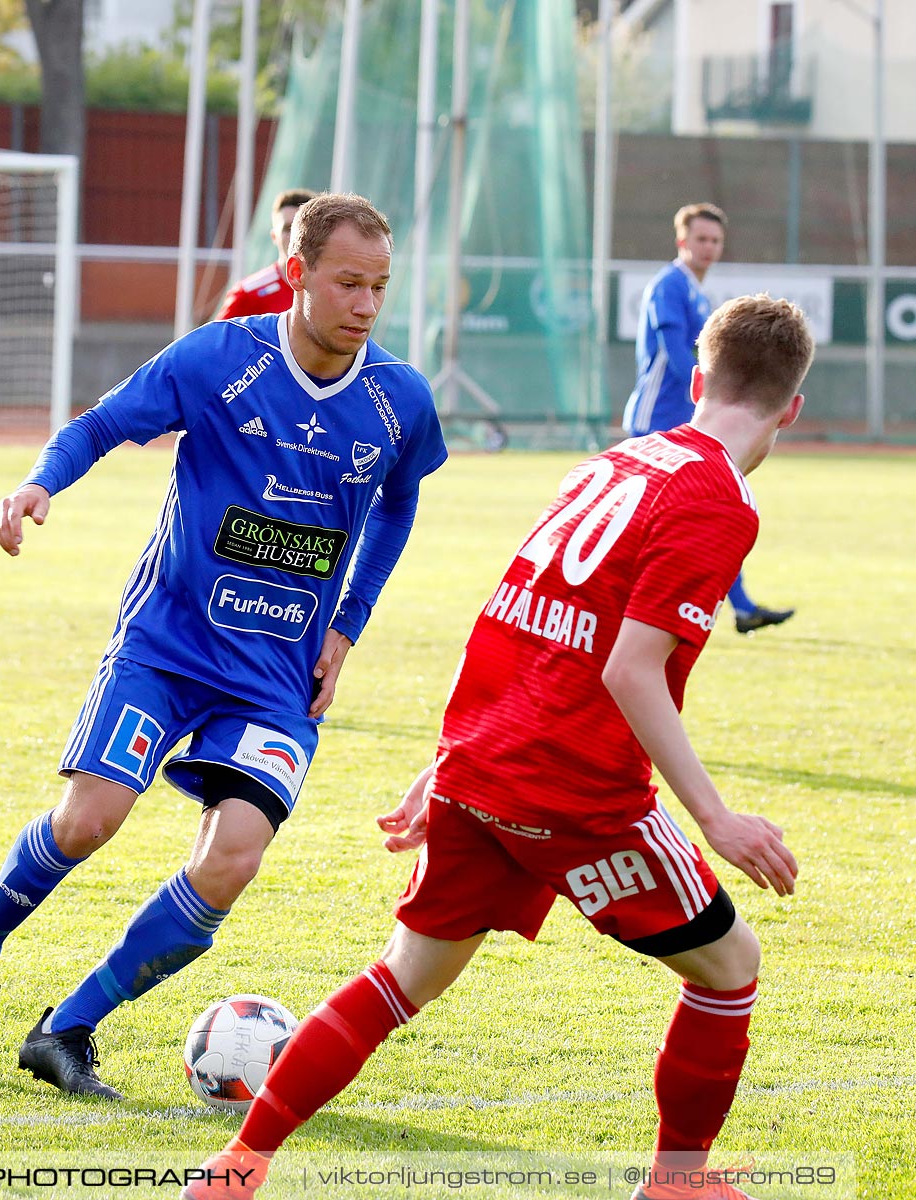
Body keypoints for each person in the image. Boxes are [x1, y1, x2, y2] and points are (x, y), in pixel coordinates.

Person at [188, 294, 814, 1200]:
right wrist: (716, 819)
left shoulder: (615, 462)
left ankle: (235, 1168)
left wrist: (446, 761)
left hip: (485, 764)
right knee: (731, 968)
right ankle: (677, 1186)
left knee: (404, 979)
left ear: (695, 377)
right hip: (574, 790)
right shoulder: (718, 500)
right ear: (793, 408)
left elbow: (514, 615)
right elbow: (630, 672)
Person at [0, 193, 448, 1100]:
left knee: (234, 855)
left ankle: (67, 1028)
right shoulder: (221, 358)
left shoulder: (398, 398)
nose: (367, 305)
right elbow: (101, 422)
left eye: (379, 286)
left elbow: (400, 504)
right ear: (297, 274)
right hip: (168, 646)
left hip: (280, 675)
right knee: (89, 820)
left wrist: (347, 622)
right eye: (348, 283)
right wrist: (35, 485)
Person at [623, 204, 794, 635]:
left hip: (688, 417)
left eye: (715, 240)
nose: (709, 247)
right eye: (701, 239)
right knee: (652, 520)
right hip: (658, 417)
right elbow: (675, 354)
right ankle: (625, 603)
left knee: (714, 509)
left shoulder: (697, 291)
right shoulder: (670, 285)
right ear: (682, 241)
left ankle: (741, 607)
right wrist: (707, 397)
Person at [216, 189, 318, 320]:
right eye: (288, 229)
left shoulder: (332, 290)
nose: (295, 236)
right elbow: (217, 339)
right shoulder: (248, 293)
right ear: (274, 236)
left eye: (303, 229)